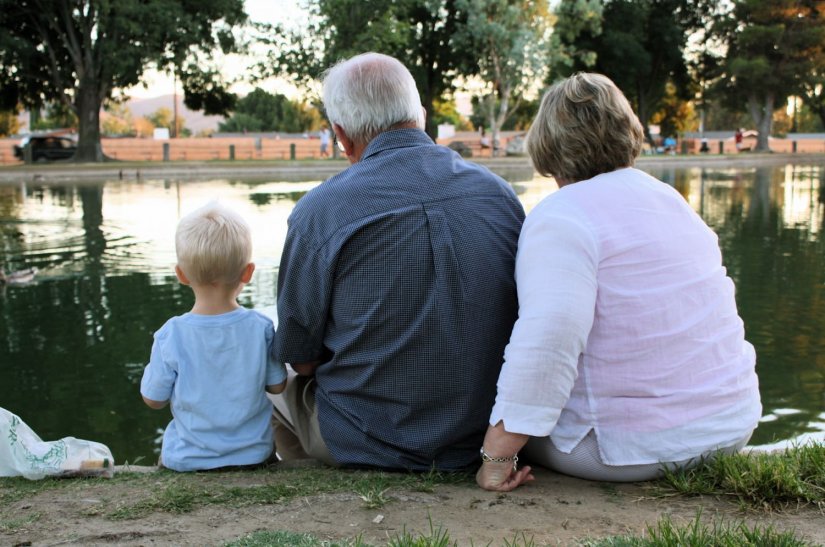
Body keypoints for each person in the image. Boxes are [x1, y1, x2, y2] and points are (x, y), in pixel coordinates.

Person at [476, 73, 761, 491]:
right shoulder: (671, 201)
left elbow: (549, 338)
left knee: (477, 393)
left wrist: (497, 457)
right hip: (729, 426)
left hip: (633, 449)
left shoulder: (562, 216)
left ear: (548, 145)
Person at [270, 52, 525, 471]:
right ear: (421, 116)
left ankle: (306, 475)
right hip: (486, 436)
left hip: (366, 441)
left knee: (267, 385)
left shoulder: (319, 212)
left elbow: (300, 357)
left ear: (342, 135)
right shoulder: (499, 196)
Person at [140, 202, 288, 472]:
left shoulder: (170, 334)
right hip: (253, 456)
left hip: (187, 459)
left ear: (181, 275)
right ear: (248, 272)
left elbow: (153, 399)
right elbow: (277, 386)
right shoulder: (261, 328)